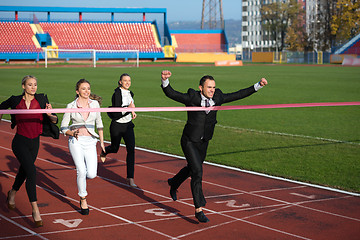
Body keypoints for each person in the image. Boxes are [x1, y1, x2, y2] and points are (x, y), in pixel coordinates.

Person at [160, 70, 268, 223]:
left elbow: (238, 94)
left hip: (204, 141)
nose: (212, 90)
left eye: (213, 87)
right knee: (197, 171)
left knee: (192, 169)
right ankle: (199, 209)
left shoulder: (218, 97)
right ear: (201, 88)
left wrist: (258, 85)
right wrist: (165, 81)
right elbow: (172, 94)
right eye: (209, 87)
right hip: (189, 140)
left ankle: (174, 182)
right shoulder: (192, 97)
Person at [1, 75, 58, 227]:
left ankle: (12, 192)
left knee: (25, 171)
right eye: (30, 84)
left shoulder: (41, 100)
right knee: (32, 171)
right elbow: (1, 108)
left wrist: (49, 114)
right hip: (19, 141)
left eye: (35, 85)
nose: (33, 87)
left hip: (35, 142)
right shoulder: (15, 100)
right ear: (23, 86)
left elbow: (54, 119)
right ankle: (35, 209)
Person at [60, 79, 105, 215]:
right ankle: (83, 198)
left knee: (91, 174)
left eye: (88, 88)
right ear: (77, 91)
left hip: (91, 141)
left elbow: (99, 123)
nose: (87, 91)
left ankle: (82, 182)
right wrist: (71, 133)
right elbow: (63, 127)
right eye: (83, 89)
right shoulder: (71, 106)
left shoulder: (95, 104)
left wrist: (102, 143)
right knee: (81, 170)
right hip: (76, 141)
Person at [100, 73, 137, 187]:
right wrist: (128, 109)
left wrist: (132, 111)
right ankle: (105, 151)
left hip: (128, 126)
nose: (127, 82)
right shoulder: (116, 94)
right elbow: (116, 113)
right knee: (115, 148)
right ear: (120, 82)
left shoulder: (130, 93)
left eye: (129, 80)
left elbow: (131, 105)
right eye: (125, 80)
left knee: (131, 150)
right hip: (117, 125)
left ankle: (130, 178)